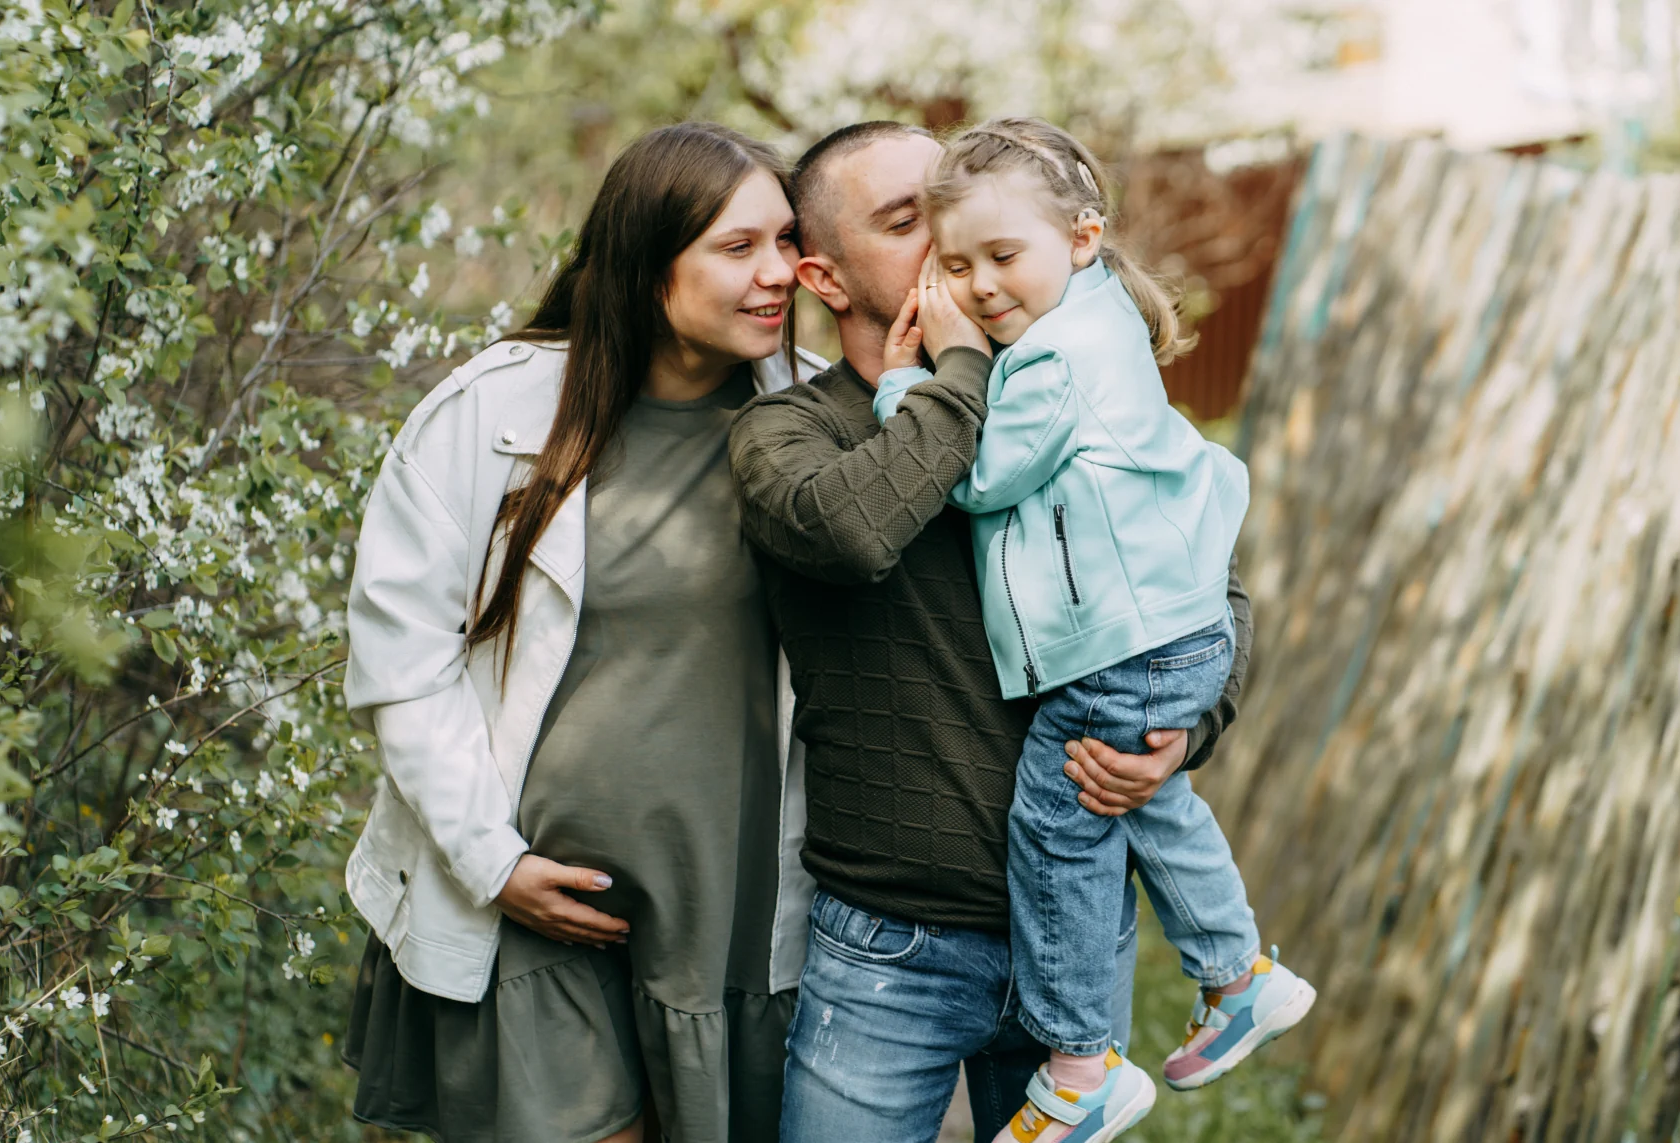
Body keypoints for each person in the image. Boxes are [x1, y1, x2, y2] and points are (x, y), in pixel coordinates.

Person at [727, 121, 1254, 1142]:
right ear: (825, 279)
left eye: (962, 216)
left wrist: (1184, 733)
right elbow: (854, 532)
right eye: (909, 224)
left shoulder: (1066, 387)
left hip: (1070, 936)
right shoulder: (788, 434)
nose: (950, 247)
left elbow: (1211, 589)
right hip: (888, 948)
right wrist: (954, 373)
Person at [338, 122, 825, 1143]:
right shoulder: (488, 413)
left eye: (786, 241)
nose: (779, 273)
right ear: (651, 266)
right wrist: (492, 863)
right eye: (737, 249)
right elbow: (402, 663)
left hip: (724, 910)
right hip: (533, 897)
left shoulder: (818, 419)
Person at [871, 117, 1314, 1143]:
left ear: (1080, 237)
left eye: (1002, 257)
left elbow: (976, 479)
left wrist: (922, 378)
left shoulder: (1057, 359)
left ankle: (1079, 1066)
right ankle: (1236, 973)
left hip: (1122, 645)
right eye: (956, 265)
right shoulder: (1085, 322)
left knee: (1054, 832)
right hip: (1157, 633)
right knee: (1146, 808)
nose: (980, 287)